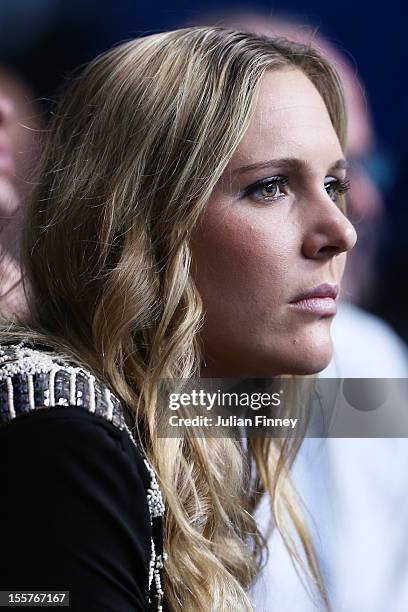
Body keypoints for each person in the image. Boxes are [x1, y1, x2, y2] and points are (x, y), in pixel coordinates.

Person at [0, 26, 356, 611]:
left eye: (334, 184)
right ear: (140, 222)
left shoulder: (175, 410)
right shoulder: (62, 441)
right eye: (271, 187)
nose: (341, 232)